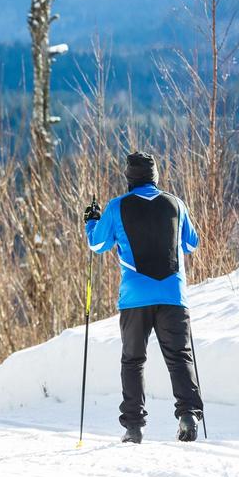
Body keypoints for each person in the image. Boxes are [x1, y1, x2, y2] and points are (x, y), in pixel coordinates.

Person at [83, 151, 204, 444]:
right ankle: (187, 413)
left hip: (135, 298)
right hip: (173, 295)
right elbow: (192, 243)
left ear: (129, 179)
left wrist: (91, 220)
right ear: (155, 176)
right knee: (179, 357)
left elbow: (97, 244)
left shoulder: (117, 207)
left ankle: (134, 426)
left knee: (133, 361)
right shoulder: (176, 203)